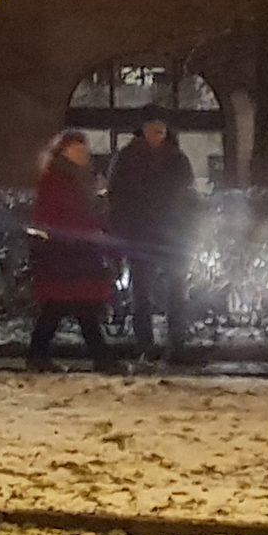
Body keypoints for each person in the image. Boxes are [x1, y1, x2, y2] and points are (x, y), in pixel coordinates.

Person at [26, 131, 123, 374]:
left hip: (79, 251)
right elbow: (55, 216)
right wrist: (90, 227)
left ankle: (41, 355)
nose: (83, 154)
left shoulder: (83, 178)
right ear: (64, 152)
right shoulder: (56, 179)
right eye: (76, 150)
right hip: (65, 252)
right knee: (68, 305)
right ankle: (100, 359)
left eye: (84, 149)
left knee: (74, 306)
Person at [104, 114, 198, 366]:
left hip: (170, 234)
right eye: (153, 128)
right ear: (142, 130)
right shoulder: (127, 159)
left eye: (162, 129)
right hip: (142, 234)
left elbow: (189, 196)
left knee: (175, 291)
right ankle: (146, 346)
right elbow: (118, 200)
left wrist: (187, 227)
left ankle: (175, 345)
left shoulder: (176, 159)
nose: (158, 133)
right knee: (142, 293)